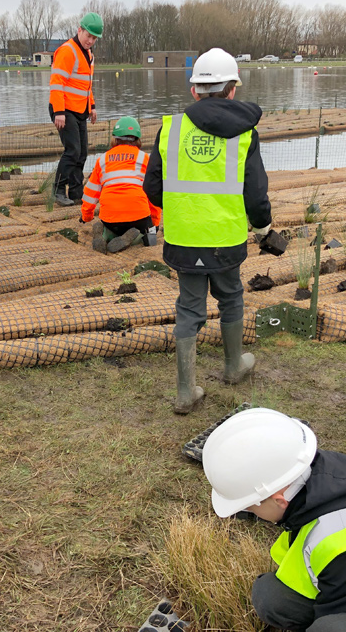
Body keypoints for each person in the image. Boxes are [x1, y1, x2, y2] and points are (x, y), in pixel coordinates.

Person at [143, 48, 275, 414]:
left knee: (189, 307)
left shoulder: (170, 129)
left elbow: (152, 188)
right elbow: (256, 194)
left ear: (194, 91)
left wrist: (182, 205)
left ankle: (186, 391)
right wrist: (264, 229)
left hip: (183, 238)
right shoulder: (246, 134)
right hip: (225, 239)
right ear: (232, 89)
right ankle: (233, 366)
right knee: (230, 297)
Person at [203, 407, 346, 632]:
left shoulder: (336, 544)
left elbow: (334, 609)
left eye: (249, 507)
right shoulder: (323, 469)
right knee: (271, 597)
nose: (248, 513)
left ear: (279, 500)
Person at [80, 116, 161, 253]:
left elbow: (90, 193)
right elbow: (153, 192)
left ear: (115, 139)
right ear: (137, 139)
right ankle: (133, 237)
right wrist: (155, 221)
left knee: (111, 225)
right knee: (146, 234)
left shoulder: (102, 160)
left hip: (111, 219)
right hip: (138, 217)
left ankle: (106, 235)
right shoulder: (145, 158)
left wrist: (86, 216)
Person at [50, 12, 102, 207]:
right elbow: (56, 83)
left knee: (81, 153)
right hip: (64, 109)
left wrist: (93, 107)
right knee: (72, 151)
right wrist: (59, 112)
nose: (90, 41)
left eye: (94, 38)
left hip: (80, 109)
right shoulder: (67, 51)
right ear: (79, 30)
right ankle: (58, 190)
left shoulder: (89, 55)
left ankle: (75, 192)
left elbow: (85, 85)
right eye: (88, 36)